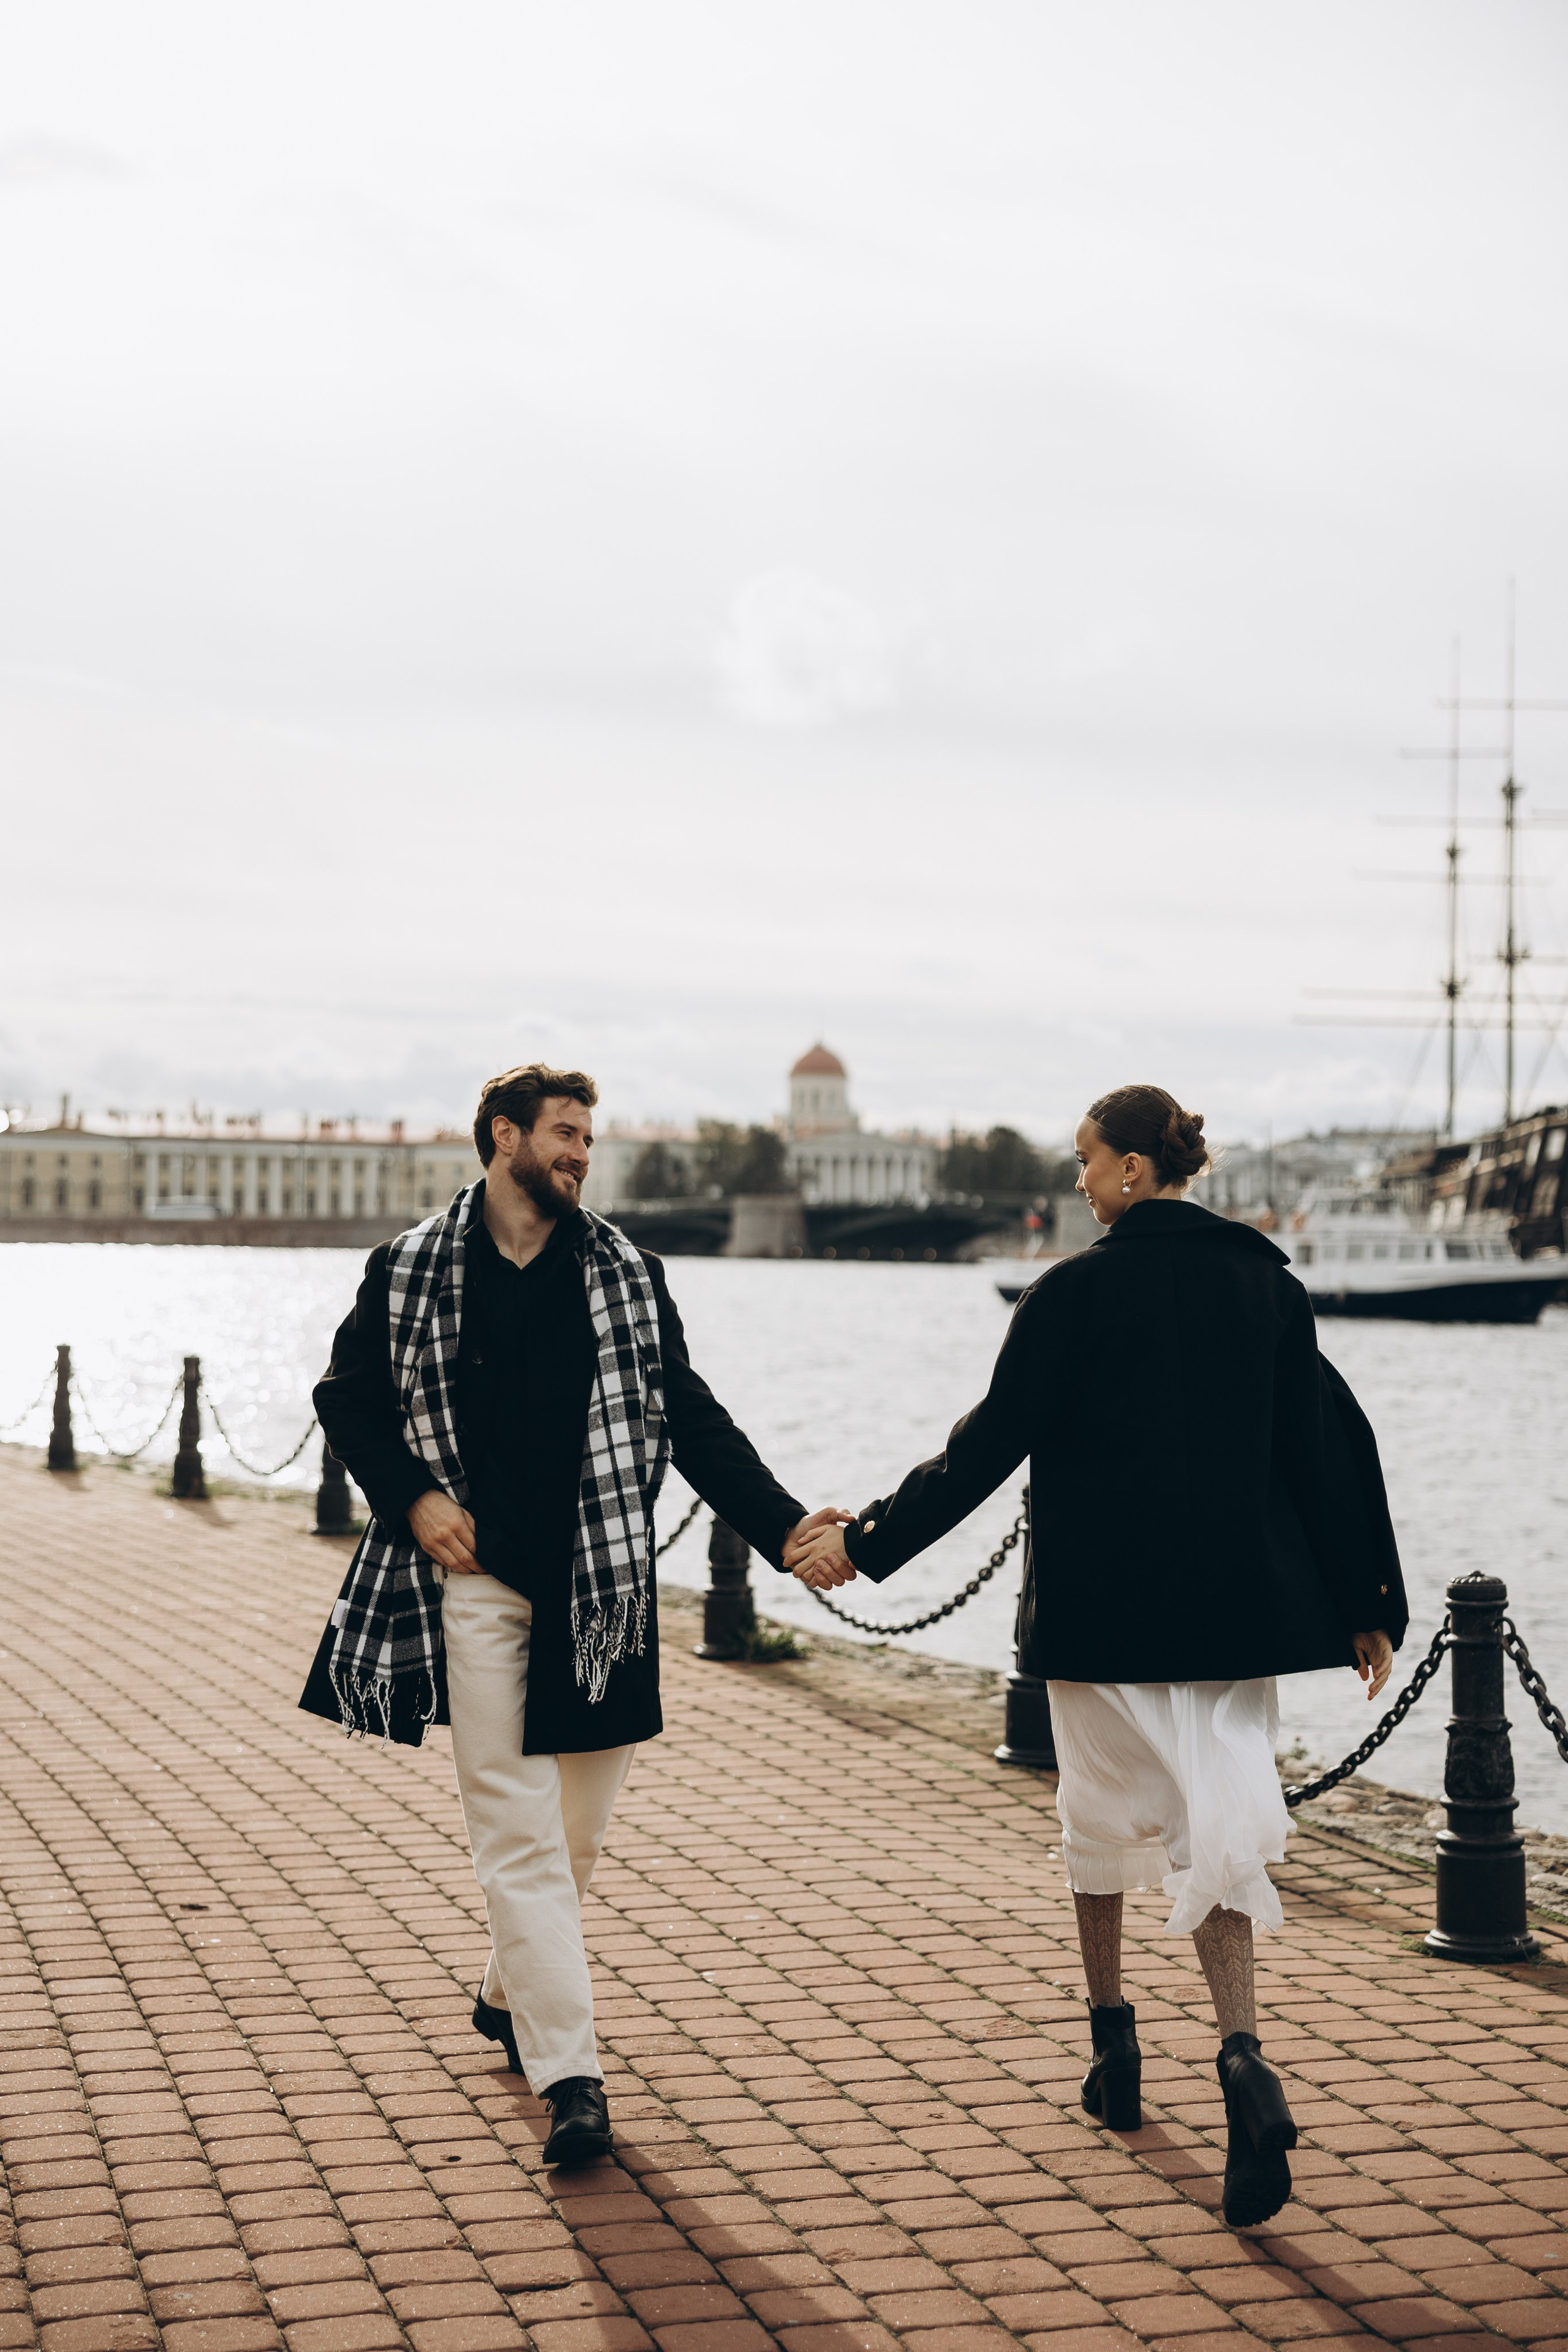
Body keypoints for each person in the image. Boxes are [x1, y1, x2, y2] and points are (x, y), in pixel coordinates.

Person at [789, 1083, 1406, 2228]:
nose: (1078, 1180)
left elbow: (984, 1447)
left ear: (1132, 1169)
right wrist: (1369, 1600)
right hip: (1232, 1625)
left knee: (1095, 1817)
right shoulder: (1265, 1284)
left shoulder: (1071, 1293)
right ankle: (1241, 2057)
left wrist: (866, 1541)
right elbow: (1325, 1446)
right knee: (1213, 1831)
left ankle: (1113, 2050)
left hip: (1105, 1616)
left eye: (1086, 1160)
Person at [299, 1063, 840, 2166]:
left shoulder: (628, 1275)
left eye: (587, 1139)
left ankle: (509, 1989)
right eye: (563, 1135)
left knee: (575, 1837)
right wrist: (411, 1496)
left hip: (602, 1593)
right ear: (504, 1137)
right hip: (478, 1589)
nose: (579, 1156)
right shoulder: (408, 1268)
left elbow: (690, 1415)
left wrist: (786, 1529)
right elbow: (345, 1398)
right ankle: (574, 2079)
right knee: (516, 1834)